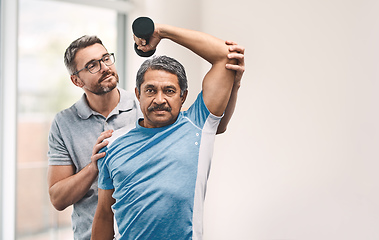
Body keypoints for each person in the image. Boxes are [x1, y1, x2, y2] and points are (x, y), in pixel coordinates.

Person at [47, 34, 245, 239]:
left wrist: (160, 31)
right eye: (92, 65)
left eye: (106, 58)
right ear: (76, 80)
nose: (105, 67)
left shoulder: (175, 117)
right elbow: (95, 211)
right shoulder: (73, 127)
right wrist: (93, 166)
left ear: (182, 96)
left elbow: (213, 121)